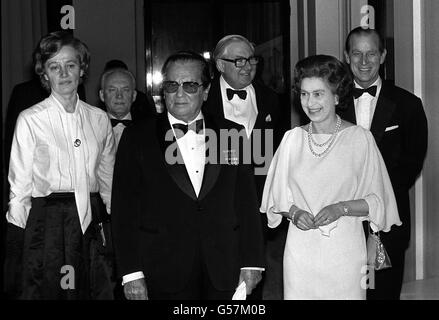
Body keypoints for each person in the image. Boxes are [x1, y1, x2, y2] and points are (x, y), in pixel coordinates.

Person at [111, 51, 265, 300]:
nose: (179, 93)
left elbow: (247, 203)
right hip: (161, 269)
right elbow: (124, 210)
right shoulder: (137, 136)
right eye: (172, 85)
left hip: (225, 267)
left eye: (190, 85)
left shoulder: (232, 133)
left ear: (205, 91)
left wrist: (253, 262)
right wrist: (130, 273)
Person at [260, 54, 402, 300]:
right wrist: (294, 213)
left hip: (345, 253)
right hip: (300, 252)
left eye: (318, 94)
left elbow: (379, 201)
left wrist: (341, 208)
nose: (310, 102)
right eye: (304, 94)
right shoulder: (292, 140)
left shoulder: (359, 139)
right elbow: (275, 199)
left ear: (336, 96)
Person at [4, 31, 116, 299]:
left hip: (92, 222)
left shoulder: (99, 119)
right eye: (55, 67)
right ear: (45, 74)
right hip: (48, 226)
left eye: (71, 65)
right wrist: (17, 248)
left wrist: (114, 227)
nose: (64, 73)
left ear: (82, 69)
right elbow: (19, 189)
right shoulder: (30, 119)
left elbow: (108, 180)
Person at [340, 27, 428, 300]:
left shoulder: (408, 104)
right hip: (341, 220)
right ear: (346, 56)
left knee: (384, 294)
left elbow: (412, 162)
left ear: (383, 56)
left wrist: (375, 198)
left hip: (388, 220)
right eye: (357, 53)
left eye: (371, 53)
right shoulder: (330, 103)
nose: (364, 61)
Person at [203, 34, 284, 299]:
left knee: (253, 276)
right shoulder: (202, 100)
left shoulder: (273, 99)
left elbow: (281, 154)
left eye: (251, 59)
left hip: (259, 205)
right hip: (214, 204)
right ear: (219, 65)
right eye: (238, 61)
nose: (247, 66)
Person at [100, 68, 138, 148]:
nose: (119, 96)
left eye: (125, 90)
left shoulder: (149, 129)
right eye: (112, 90)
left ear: (134, 95)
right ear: (102, 95)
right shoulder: (91, 128)